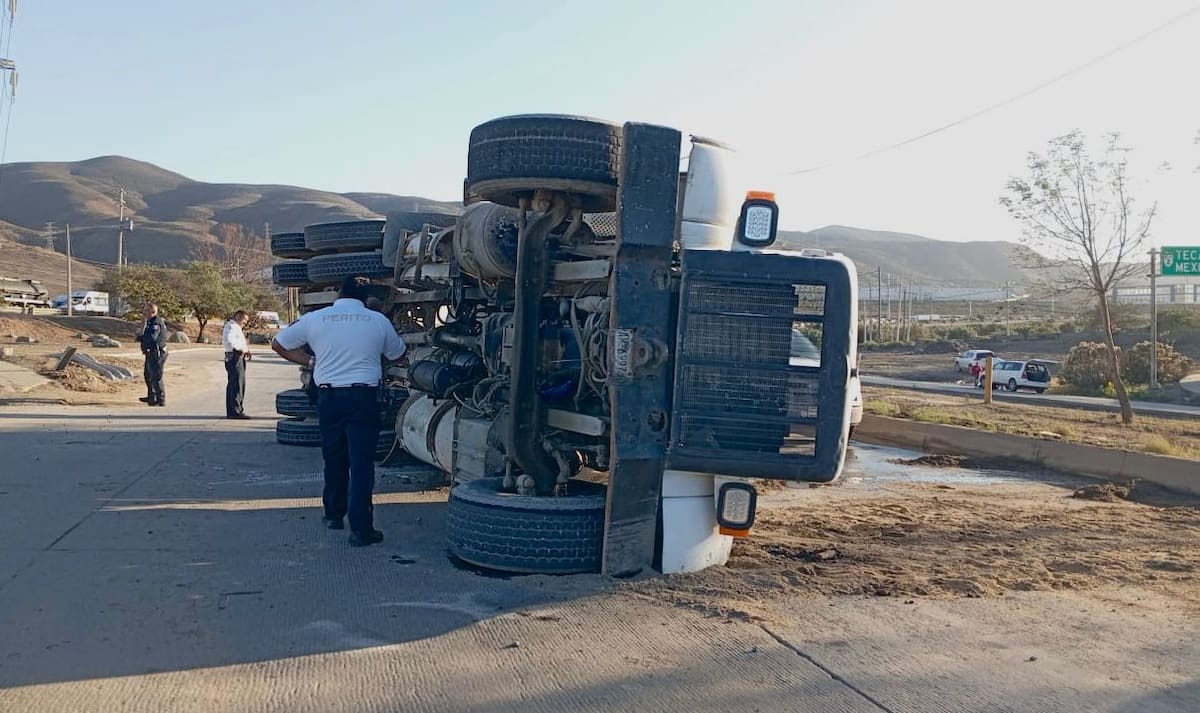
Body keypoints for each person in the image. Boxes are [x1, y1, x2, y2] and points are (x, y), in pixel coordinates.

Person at [271, 276, 405, 547]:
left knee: (334, 457)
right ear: (366, 298)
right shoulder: (378, 321)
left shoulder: (317, 318)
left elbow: (278, 343)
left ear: (338, 292)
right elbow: (397, 354)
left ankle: (333, 514)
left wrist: (310, 360)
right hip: (363, 398)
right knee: (362, 463)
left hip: (329, 397)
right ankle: (361, 529)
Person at [136, 303, 168, 406]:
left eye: (146, 311)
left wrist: (141, 335)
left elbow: (152, 338)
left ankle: (160, 399)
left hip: (157, 353)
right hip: (151, 352)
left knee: (155, 376)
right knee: (148, 375)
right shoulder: (150, 322)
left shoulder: (156, 322)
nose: (144, 313)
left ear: (152, 312)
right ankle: (152, 397)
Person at [222, 310, 252, 419]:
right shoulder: (232, 327)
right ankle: (236, 410)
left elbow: (238, 341)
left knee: (235, 383)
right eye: (244, 321)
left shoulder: (236, 327)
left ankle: (233, 410)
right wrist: (240, 350)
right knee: (237, 384)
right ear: (238, 317)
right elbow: (230, 340)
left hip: (237, 355)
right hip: (235, 356)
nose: (245, 324)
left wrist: (246, 350)